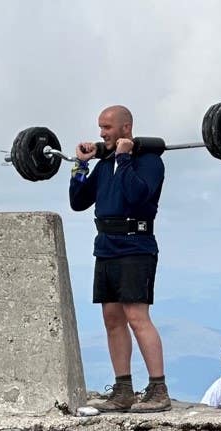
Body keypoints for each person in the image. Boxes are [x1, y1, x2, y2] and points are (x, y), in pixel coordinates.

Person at [70, 105, 170, 413]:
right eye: (100, 127)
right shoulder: (105, 164)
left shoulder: (150, 162)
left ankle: (158, 388)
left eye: (107, 128)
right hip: (106, 245)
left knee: (137, 316)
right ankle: (123, 388)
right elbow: (78, 201)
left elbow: (138, 196)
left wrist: (126, 159)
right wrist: (80, 166)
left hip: (135, 245)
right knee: (112, 318)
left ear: (125, 128)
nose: (102, 133)